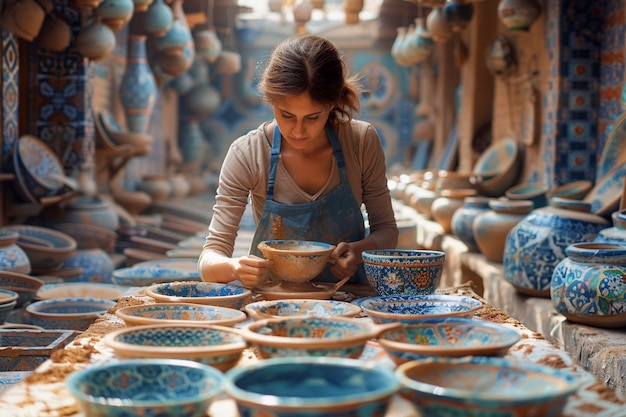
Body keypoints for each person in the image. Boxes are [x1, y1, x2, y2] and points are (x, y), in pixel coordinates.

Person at [198, 34, 398, 288]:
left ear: (333, 103)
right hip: (273, 303)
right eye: (287, 115)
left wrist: (360, 252)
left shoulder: (360, 142)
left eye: (313, 117)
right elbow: (209, 259)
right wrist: (234, 268)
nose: (298, 131)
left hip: (348, 298)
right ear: (271, 101)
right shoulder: (247, 153)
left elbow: (388, 231)